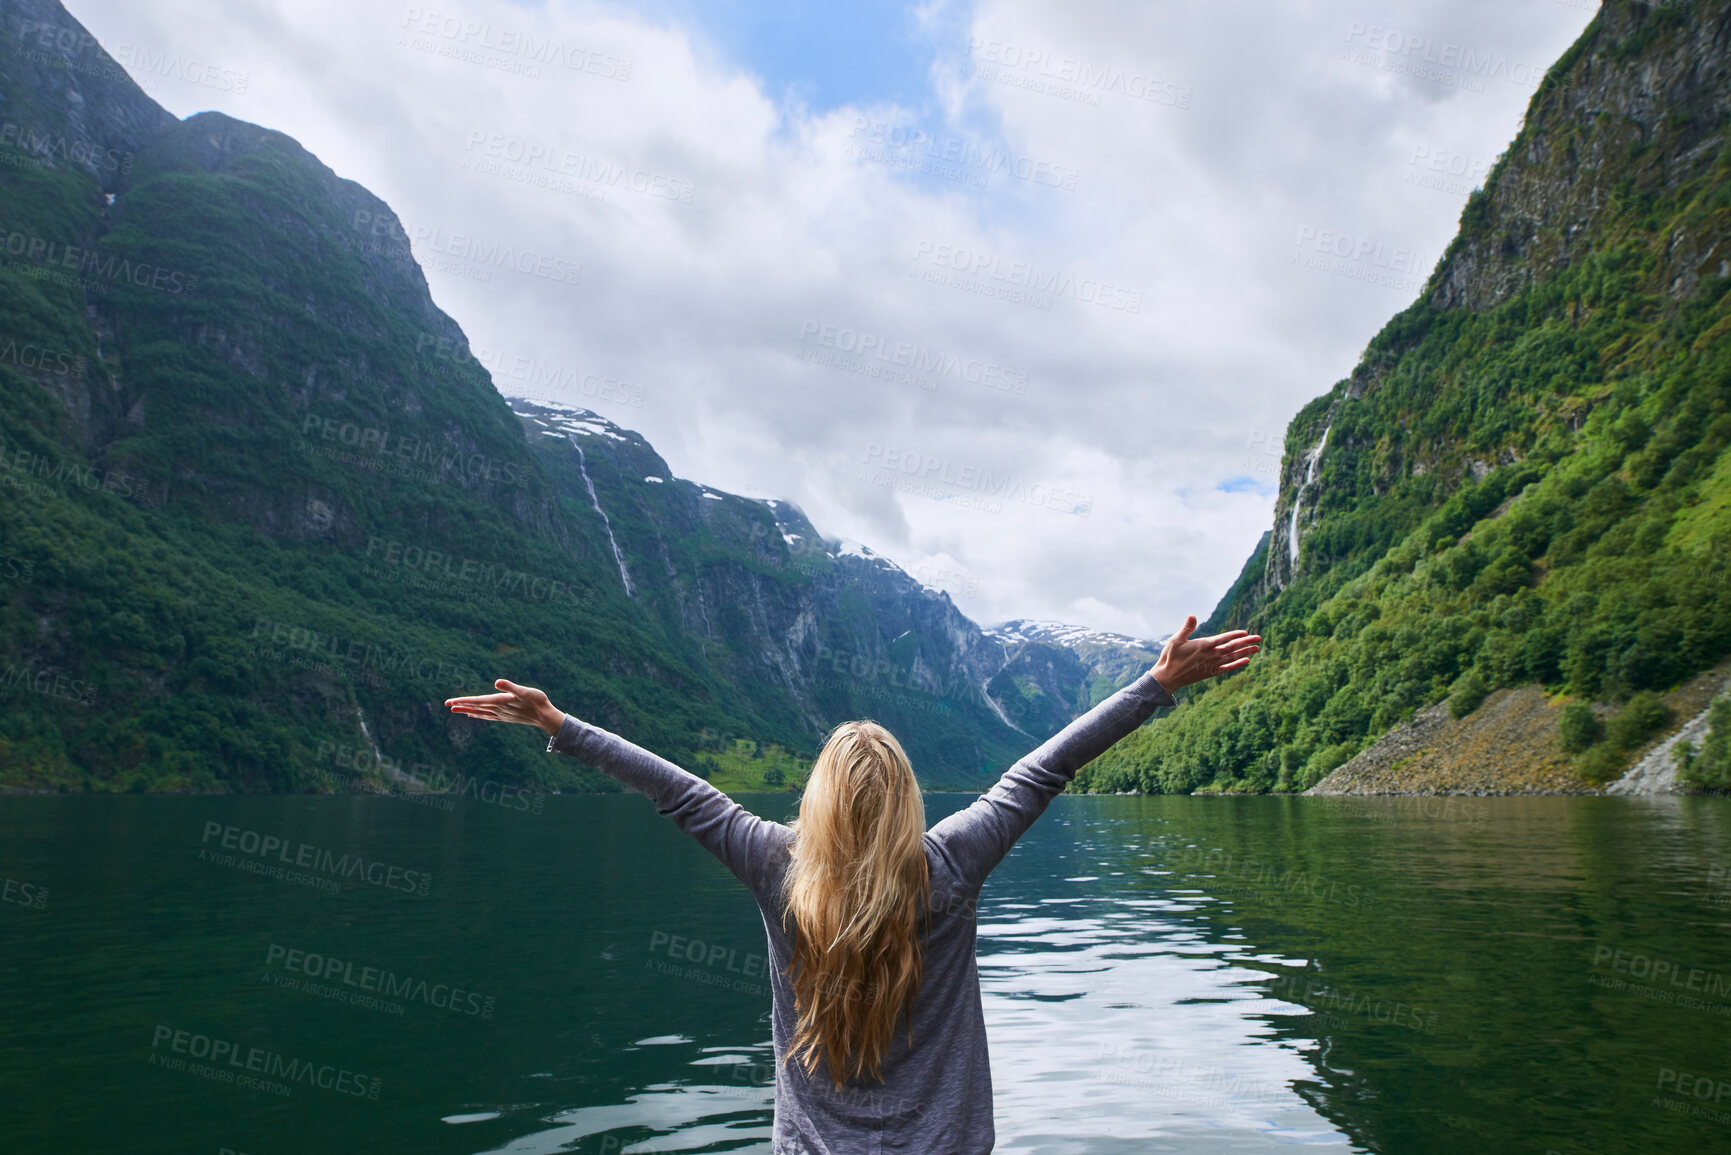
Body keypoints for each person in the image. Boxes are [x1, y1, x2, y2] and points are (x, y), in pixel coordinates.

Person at [445, 614, 1259, 1153]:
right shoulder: (950, 863)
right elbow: (1039, 772)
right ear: (908, 796)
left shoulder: (775, 863)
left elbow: (680, 791)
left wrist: (559, 724)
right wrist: (1153, 686)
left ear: (816, 800)